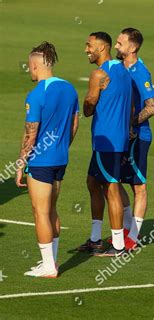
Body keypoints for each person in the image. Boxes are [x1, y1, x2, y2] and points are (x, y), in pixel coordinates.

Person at [15, 42, 80, 277]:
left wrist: (21, 164)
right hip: (60, 159)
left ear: (34, 65)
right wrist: (62, 147)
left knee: (40, 212)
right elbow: (74, 124)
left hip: (41, 161)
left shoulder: (37, 94)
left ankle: (49, 266)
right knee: (52, 209)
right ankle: (50, 262)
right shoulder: (69, 88)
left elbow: (31, 134)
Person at [77, 31, 132, 257]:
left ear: (102, 48)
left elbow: (88, 107)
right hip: (117, 139)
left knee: (111, 189)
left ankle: (118, 245)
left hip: (106, 141)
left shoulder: (98, 74)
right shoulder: (124, 71)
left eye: (89, 45)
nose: (86, 50)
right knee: (93, 182)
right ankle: (95, 238)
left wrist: (89, 101)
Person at [114, 27, 154, 250]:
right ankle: (126, 226)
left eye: (120, 43)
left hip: (138, 136)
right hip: (121, 136)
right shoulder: (119, 68)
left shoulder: (140, 72)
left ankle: (134, 235)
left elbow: (152, 107)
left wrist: (131, 123)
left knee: (138, 186)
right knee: (113, 182)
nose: (116, 46)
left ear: (132, 47)